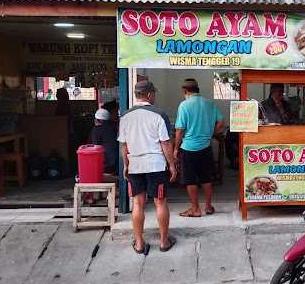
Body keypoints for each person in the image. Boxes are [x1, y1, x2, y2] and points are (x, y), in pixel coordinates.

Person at [118, 80, 177, 254]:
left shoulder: (125, 116)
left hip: (135, 165)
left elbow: (124, 145)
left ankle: (139, 243)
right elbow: (165, 143)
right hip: (156, 165)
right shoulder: (159, 114)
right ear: (150, 95)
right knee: (160, 202)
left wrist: (126, 165)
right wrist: (172, 165)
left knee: (138, 203)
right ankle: (164, 242)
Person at [174, 78, 224, 217]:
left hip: (188, 148)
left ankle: (195, 208)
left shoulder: (184, 105)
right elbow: (221, 122)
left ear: (185, 91)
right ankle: (208, 206)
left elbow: (179, 130)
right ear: (198, 90)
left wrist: (176, 148)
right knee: (206, 178)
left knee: (190, 179)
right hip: (206, 147)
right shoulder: (209, 103)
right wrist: (211, 133)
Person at [89, 108, 118, 174]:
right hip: (117, 164)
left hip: (106, 165)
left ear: (97, 120)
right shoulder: (114, 127)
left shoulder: (96, 130)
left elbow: (95, 148)